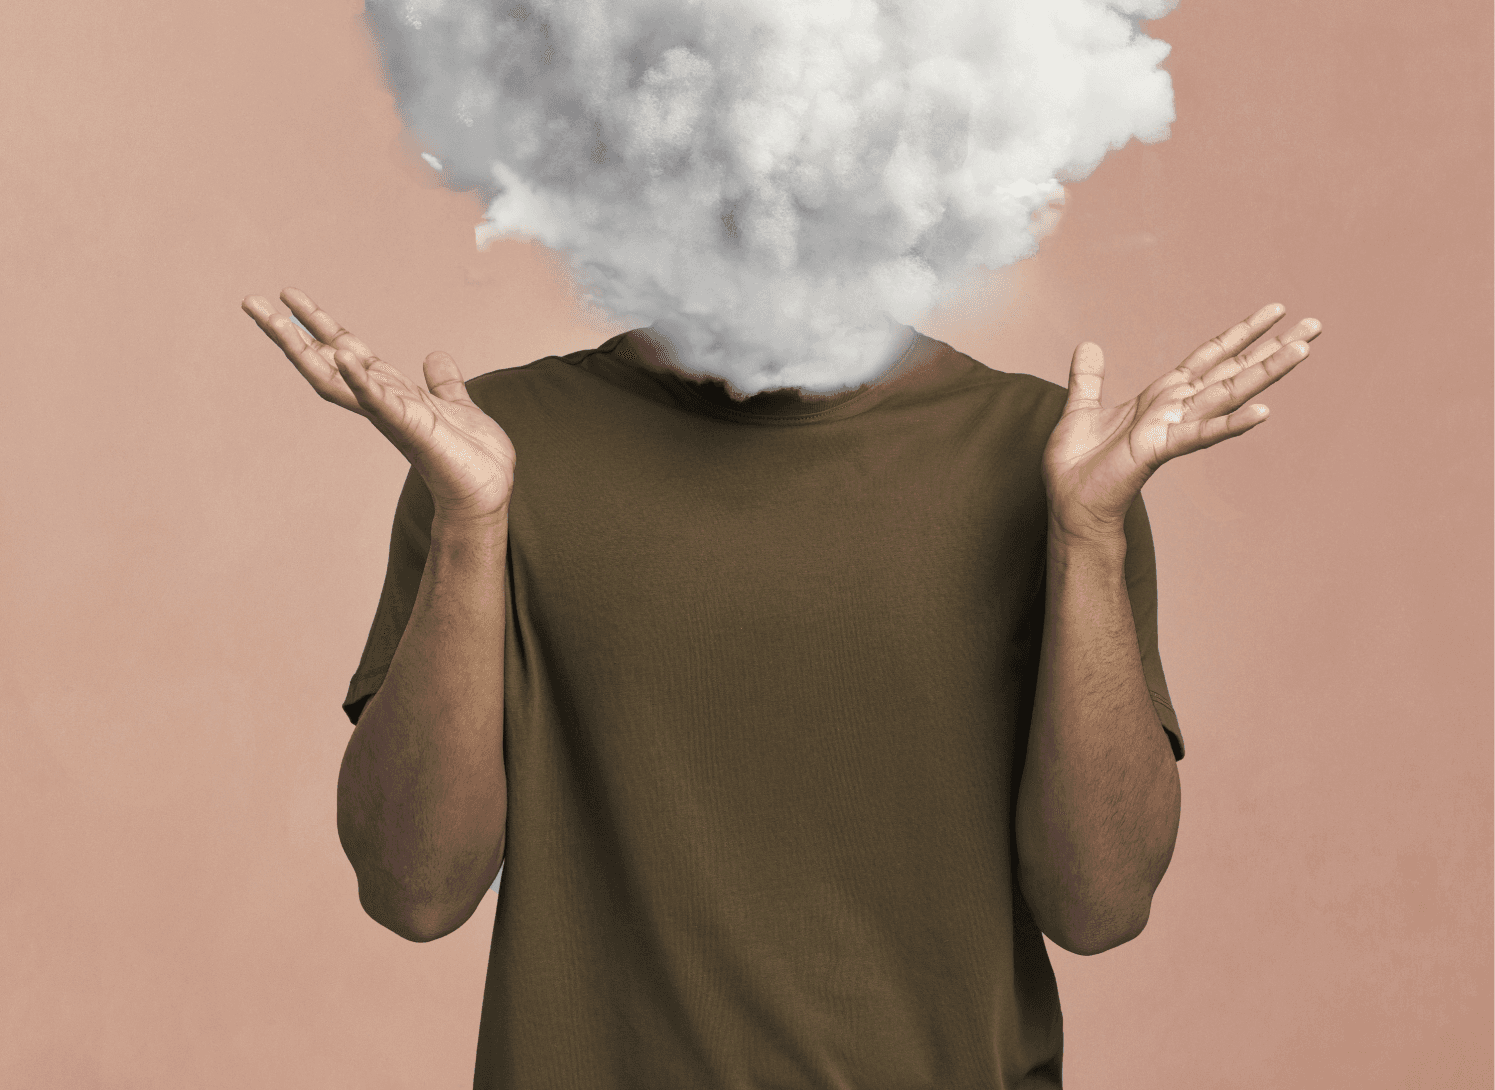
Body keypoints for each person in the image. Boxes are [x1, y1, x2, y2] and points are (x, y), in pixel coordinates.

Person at [242, 285, 1319, 1088]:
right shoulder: (488, 450)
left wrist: (1083, 534)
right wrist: (475, 527)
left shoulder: (1056, 461)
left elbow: (1098, 905)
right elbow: (412, 888)